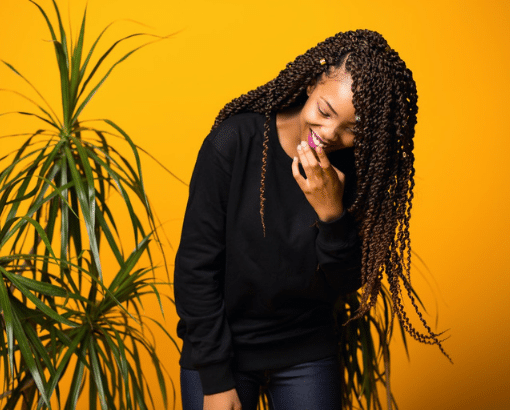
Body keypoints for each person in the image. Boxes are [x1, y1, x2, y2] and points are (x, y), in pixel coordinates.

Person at [174, 29, 448, 410]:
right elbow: (195, 269)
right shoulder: (235, 142)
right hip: (223, 350)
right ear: (311, 84)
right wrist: (217, 380)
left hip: (305, 351)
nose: (331, 134)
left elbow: (347, 280)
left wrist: (330, 211)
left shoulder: (356, 172)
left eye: (354, 130)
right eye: (325, 111)